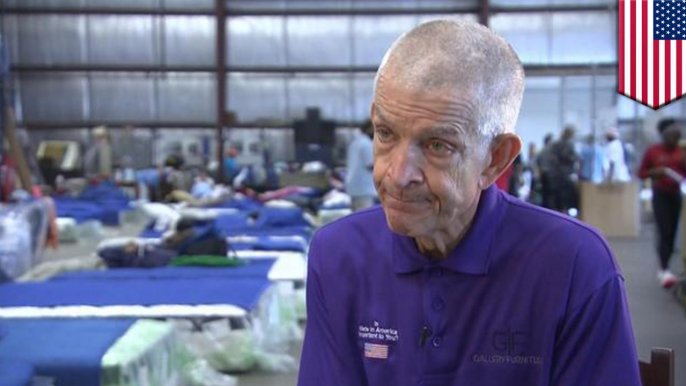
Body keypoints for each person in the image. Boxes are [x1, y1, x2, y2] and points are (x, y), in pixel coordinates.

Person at [298, 20, 640, 386]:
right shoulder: (338, 254)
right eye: (386, 133)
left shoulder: (574, 264)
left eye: (437, 146)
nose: (397, 175)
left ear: (495, 160)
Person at [639, 118, 686, 288]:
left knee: (673, 231)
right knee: (664, 229)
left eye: (676, 138)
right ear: (664, 137)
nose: (673, 142)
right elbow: (641, 173)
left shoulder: (682, 151)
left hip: (677, 194)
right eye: (670, 138)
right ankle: (664, 267)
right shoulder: (653, 151)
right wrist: (654, 172)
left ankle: (667, 265)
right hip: (661, 194)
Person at [345, 119, 377, 211]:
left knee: (356, 216)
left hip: (353, 187)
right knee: (365, 218)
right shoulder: (366, 143)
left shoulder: (355, 142)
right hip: (363, 189)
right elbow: (371, 164)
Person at [550, 126, 579, 213]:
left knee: (558, 201)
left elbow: (552, 159)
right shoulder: (569, 145)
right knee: (566, 201)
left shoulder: (555, 144)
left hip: (556, 175)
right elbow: (573, 158)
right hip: (566, 175)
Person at [536, 134, 555, 209]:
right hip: (549, 175)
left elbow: (538, 163)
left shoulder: (541, 152)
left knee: (545, 194)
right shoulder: (551, 153)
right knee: (549, 194)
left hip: (543, 175)